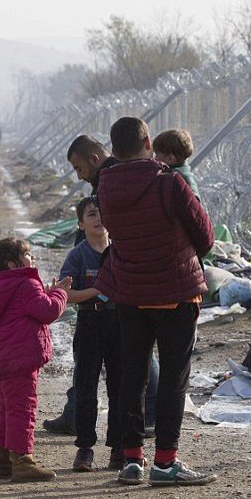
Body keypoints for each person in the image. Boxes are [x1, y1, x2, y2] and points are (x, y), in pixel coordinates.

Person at [95, 117, 218, 486]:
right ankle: (166, 463)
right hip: (176, 294)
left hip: (130, 295)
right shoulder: (170, 182)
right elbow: (206, 238)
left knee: (132, 377)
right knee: (172, 381)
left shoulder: (105, 186)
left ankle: (132, 460)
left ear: (113, 150)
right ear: (148, 142)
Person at [43, 136, 159, 438]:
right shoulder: (111, 179)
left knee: (135, 354)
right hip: (105, 300)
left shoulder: (112, 181)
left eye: (79, 168)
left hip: (122, 284)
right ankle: (83, 421)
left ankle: (139, 421)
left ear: (94, 158)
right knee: (99, 365)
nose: (79, 175)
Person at [0, 237, 70, 482]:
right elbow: (47, 311)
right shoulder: (26, 283)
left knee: (7, 407)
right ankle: (22, 461)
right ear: (12, 263)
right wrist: (60, 293)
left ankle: (2, 459)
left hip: (2, 358)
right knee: (23, 409)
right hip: (22, 358)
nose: (32, 258)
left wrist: (45, 293)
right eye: (27, 254)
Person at [60, 197, 122, 473]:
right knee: (86, 387)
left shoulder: (120, 251)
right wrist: (98, 290)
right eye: (91, 214)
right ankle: (85, 448)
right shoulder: (77, 255)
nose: (98, 219)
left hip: (119, 322)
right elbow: (66, 294)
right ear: (80, 223)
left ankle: (119, 447)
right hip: (89, 322)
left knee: (120, 387)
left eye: (102, 212)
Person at [153, 129, 201, 202]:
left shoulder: (178, 178)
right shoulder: (185, 173)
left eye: (157, 155)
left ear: (170, 159)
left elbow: (195, 203)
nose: (154, 159)